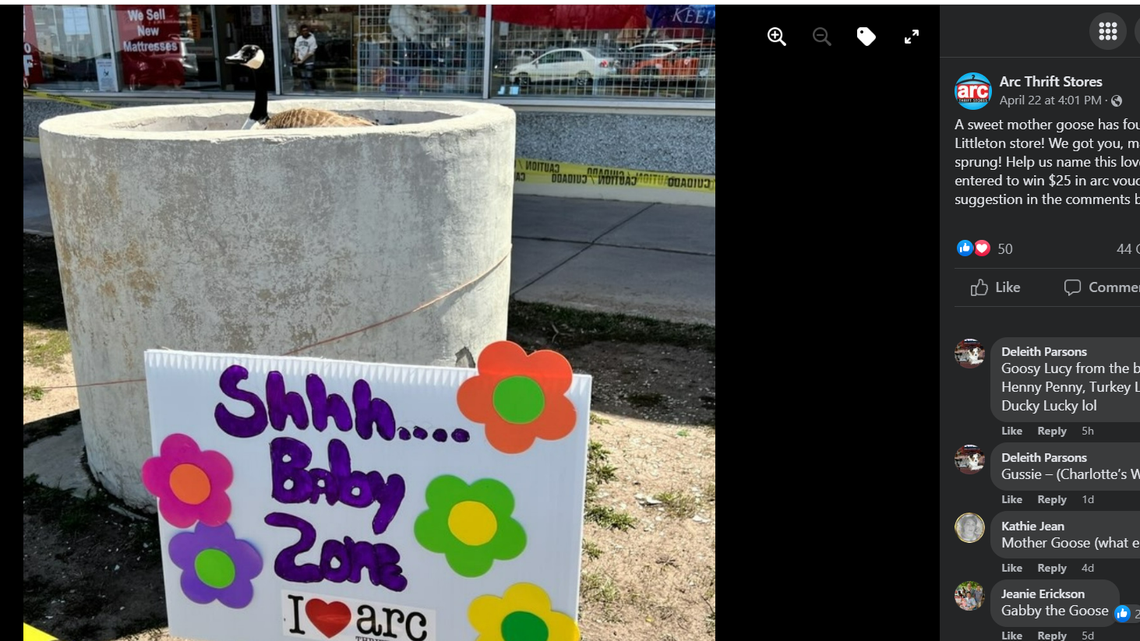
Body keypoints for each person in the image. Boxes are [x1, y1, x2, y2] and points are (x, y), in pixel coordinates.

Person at [293, 24, 318, 94]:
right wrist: (296, 59)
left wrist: (302, 60)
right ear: (301, 32)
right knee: (303, 78)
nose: (305, 32)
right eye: (303, 31)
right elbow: (296, 49)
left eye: (306, 30)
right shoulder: (299, 39)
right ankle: (305, 92)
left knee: (309, 77)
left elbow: (311, 52)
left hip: (309, 62)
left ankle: (311, 92)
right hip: (300, 61)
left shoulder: (312, 39)